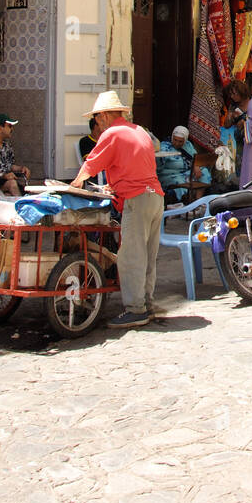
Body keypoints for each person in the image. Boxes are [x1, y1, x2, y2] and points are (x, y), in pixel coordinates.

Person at [70, 91, 163, 329]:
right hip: (155, 196)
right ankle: (147, 304)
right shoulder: (139, 130)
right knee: (147, 255)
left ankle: (135, 309)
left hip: (137, 198)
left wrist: (75, 184)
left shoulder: (112, 133)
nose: (98, 122)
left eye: (99, 117)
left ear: (105, 116)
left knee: (131, 256)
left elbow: (91, 164)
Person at [157, 125, 211, 204]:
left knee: (204, 172)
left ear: (185, 140)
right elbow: (158, 165)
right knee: (180, 182)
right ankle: (185, 203)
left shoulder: (188, 145)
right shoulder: (164, 147)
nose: (177, 143)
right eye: (175, 140)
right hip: (169, 175)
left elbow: (195, 158)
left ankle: (198, 202)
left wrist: (196, 166)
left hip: (185, 173)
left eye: (180, 141)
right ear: (172, 137)